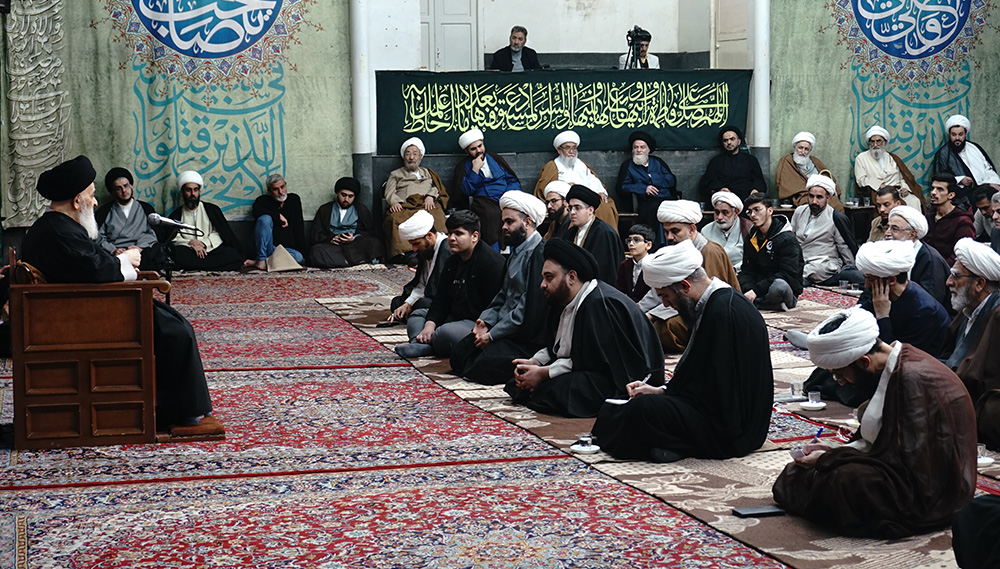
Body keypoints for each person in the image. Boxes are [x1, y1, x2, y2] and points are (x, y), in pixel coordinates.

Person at [20, 156, 219, 433]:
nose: (95, 202)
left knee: (173, 323)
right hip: (88, 315)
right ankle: (180, 413)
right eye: (91, 195)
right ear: (77, 201)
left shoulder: (58, 226)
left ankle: (183, 409)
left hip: (87, 306)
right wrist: (126, 260)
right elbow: (95, 270)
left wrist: (123, 262)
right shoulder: (59, 231)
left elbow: (89, 265)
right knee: (175, 332)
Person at [772, 307, 977, 538]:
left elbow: (906, 464)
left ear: (864, 361)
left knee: (844, 480)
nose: (840, 382)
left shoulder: (910, 378)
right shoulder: (897, 363)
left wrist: (832, 458)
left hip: (932, 494)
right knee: (804, 474)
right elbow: (885, 443)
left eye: (840, 374)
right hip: (914, 472)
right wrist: (837, 451)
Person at [592, 240, 773, 462]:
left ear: (685, 286)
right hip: (733, 418)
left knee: (641, 409)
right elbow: (703, 379)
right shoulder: (716, 303)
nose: (666, 304)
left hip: (733, 432)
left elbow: (716, 392)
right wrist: (663, 391)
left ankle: (671, 444)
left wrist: (668, 395)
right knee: (625, 402)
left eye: (666, 296)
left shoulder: (722, 313)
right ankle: (668, 444)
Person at [504, 239, 664, 417]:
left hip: (622, 378)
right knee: (519, 380)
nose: (542, 284)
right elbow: (558, 347)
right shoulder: (563, 299)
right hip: (586, 367)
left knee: (557, 390)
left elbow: (595, 361)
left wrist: (544, 373)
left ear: (572, 277)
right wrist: (536, 362)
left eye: (549, 277)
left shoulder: (599, 305)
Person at [450, 191, 548, 385]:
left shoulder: (539, 254)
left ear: (527, 222)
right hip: (501, 326)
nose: (503, 227)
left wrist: (492, 335)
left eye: (509, 222)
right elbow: (503, 294)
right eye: (503, 222)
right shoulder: (516, 252)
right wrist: (485, 321)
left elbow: (526, 308)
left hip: (523, 335)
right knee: (459, 356)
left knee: (481, 366)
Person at [395, 211, 504, 359]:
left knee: (445, 333)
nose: (452, 238)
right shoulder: (453, 261)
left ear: (474, 236)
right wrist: (430, 324)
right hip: (452, 315)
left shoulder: (491, 263)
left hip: (476, 322)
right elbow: (441, 298)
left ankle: (427, 345)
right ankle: (420, 343)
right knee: (417, 315)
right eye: (450, 233)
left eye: (458, 234)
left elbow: (496, 305)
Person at [646, 199, 741, 353]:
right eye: (666, 232)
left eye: (675, 231)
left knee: (664, 328)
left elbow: (705, 299)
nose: (669, 237)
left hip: (710, 313)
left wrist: (653, 315)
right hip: (682, 305)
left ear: (691, 229)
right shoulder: (675, 251)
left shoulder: (709, 251)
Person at [855, 240, 951, 356]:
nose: (866, 285)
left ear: (892, 280)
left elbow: (894, 358)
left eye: (870, 279)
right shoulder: (883, 295)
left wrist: (883, 316)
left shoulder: (925, 312)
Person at [941, 239, 1000, 422]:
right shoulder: (967, 309)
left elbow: (985, 379)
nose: (948, 282)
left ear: (979, 284)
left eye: (956, 276)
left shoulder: (997, 317)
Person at [533, 130, 619, 233]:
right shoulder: (552, 166)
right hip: (568, 201)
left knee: (606, 205)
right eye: (567, 148)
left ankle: (607, 236)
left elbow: (592, 180)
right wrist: (566, 187)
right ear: (559, 150)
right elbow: (546, 190)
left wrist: (600, 191)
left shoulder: (581, 165)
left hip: (586, 198)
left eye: (574, 148)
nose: (571, 151)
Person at [790, 174, 863, 286]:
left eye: (819, 197)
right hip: (800, 260)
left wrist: (852, 266)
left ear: (828, 198)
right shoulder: (799, 211)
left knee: (818, 269)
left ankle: (800, 277)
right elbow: (791, 237)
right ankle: (801, 277)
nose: (814, 201)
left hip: (823, 263)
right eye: (811, 196)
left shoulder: (835, 217)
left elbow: (844, 246)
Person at [453, 128, 520, 248]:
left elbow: (513, 180)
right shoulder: (464, 166)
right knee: (491, 215)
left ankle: (514, 248)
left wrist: (509, 194)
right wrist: (475, 170)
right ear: (467, 151)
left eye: (480, 146)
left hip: (506, 197)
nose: (478, 150)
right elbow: (466, 191)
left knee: (517, 216)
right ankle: (495, 249)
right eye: (473, 149)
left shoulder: (495, 158)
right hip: (485, 202)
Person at [383, 137, 449, 260]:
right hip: (405, 206)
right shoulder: (396, 174)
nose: (411, 157)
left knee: (438, 214)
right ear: (404, 157)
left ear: (420, 156)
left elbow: (436, 188)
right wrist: (395, 202)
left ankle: (439, 247)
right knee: (393, 219)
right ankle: (408, 253)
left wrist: (430, 196)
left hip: (425, 204)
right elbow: (389, 192)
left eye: (415, 154)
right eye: (408, 154)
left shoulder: (428, 173)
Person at [167, 171, 246, 271]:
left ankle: (195, 267)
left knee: (231, 254)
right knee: (179, 254)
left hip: (211, 249)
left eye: (196, 190)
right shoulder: (176, 215)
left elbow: (219, 233)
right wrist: (191, 245)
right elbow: (175, 238)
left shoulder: (212, 210)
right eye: (188, 190)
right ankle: (213, 267)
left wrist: (203, 243)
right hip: (189, 250)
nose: (193, 194)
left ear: (199, 192)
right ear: (182, 193)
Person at [739, 192, 804, 311]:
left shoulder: (787, 238)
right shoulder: (751, 238)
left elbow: (787, 274)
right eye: (749, 211)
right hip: (758, 287)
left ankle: (756, 303)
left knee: (779, 286)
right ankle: (764, 304)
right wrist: (749, 289)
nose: (752, 215)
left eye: (757, 210)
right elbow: (747, 269)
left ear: (770, 211)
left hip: (780, 288)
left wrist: (756, 291)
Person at [387, 210, 451, 324]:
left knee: (422, 304)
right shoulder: (426, 251)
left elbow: (442, 291)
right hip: (428, 295)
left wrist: (413, 304)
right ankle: (411, 314)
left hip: (445, 301)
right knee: (397, 303)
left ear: (429, 236)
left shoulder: (446, 250)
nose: (414, 249)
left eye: (416, 244)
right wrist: (407, 304)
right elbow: (422, 283)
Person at [885, 205, 953, 312]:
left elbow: (929, 305)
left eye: (895, 229)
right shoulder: (894, 253)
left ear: (912, 234)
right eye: (888, 227)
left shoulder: (929, 259)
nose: (887, 233)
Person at [95, 167, 165, 271]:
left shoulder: (146, 208)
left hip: (140, 251)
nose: (124, 191)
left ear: (131, 185)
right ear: (112, 192)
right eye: (118, 188)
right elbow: (98, 237)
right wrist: (113, 250)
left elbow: (152, 233)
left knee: (156, 250)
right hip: (117, 253)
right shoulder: (104, 212)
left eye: (126, 186)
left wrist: (139, 248)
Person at [615, 130, 677, 246]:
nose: (639, 150)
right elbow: (622, 187)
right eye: (636, 147)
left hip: (666, 199)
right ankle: (658, 245)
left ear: (648, 150)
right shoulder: (628, 165)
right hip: (646, 202)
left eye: (642, 147)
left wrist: (653, 178)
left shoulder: (657, 162)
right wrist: (643, 188)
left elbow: (671, 180)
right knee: (655, 210)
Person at [308, 177, 383, 268]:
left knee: (374, 243)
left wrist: (354, 237)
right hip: (333, 245)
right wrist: (331, 239)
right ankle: (353, 261)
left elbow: (368, 231)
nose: (346, 199)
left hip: (354, 244)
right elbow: (316, 233)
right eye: (343, 195)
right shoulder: (325, 209)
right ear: (337, 193)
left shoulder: (361, 209)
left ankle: (342, 261)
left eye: (350, 196)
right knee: (316, 251)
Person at [854, 125, 926, 210]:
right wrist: (879, 185)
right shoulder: (861, 158)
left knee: (914, 201)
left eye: (878, 141)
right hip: (879, 192)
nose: (875, 145)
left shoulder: (892, 158)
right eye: (872, 141)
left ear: (885, 142)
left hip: (897, 192)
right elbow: (861, 180)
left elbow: (902, 178)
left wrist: (905, 188)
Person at [561, 185, 622, 284]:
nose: (572, 212)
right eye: (570, 208)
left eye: (577, 208)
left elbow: (605, 270)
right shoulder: (570, 232)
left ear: (590, 210)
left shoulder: (604, 233)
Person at [933, 114, 1000, 202]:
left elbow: (987, 168)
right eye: (954, 135)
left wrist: (993, 182)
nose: (957, 138)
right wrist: (959, 180)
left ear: (965, 134)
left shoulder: (975, 148)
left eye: (960, 134)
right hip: (961, 197)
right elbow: (939, 178)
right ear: (949, 135)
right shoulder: (942, 154)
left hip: (984, 190)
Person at [775, 131, 845, 211]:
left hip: (821, 193)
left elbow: (828, 177)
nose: (803, 152)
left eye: (806, 149)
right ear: (794, 147)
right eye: (800, 148)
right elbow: (786, 184)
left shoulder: (815, 161)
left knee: (837, 204)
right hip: (803, 196)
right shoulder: (787, 161)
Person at [698, 125, 767, 203]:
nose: (729, 142)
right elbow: (707, 183)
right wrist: (721, 188)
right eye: (725, 140)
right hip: (726, 200)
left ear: (739, 141)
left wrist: (755, 190)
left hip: (748, 199)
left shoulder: (750, 160)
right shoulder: (716, 161)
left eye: (732, 139)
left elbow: (759, 181)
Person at [250, 174, 305, 269]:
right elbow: (256, 211)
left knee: (298, 257)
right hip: (268, 248)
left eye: (282, 187)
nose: (281, 192)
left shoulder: (294, 200)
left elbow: (298, 227)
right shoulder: (263, 201)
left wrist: (304, 254)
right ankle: (262, 259)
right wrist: (277, 216)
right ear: (270, 191)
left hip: (285, 250)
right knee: (265, 218)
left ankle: (262, 262)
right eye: (276, 189)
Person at [925, 174, 975, 265]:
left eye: (940, 189)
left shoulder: (962, 221)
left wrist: (940, 267)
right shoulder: (929, 215)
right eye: (933, 188)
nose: (933, 192)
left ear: (951, 195)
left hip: (949, 268)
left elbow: (962, 253)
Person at [701, 191, 752, 272]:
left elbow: (752, 258)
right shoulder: (706, 230)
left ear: (736, 213)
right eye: (717, 212)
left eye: (725, 212)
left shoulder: (748, 228)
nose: (719, 217)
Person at [615, 224, 655, 305]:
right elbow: (620, 290)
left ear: (648, 245)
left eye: (636, 240)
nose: (631, 244)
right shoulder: (624, 265)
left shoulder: (654, 265)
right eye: (629, 240)